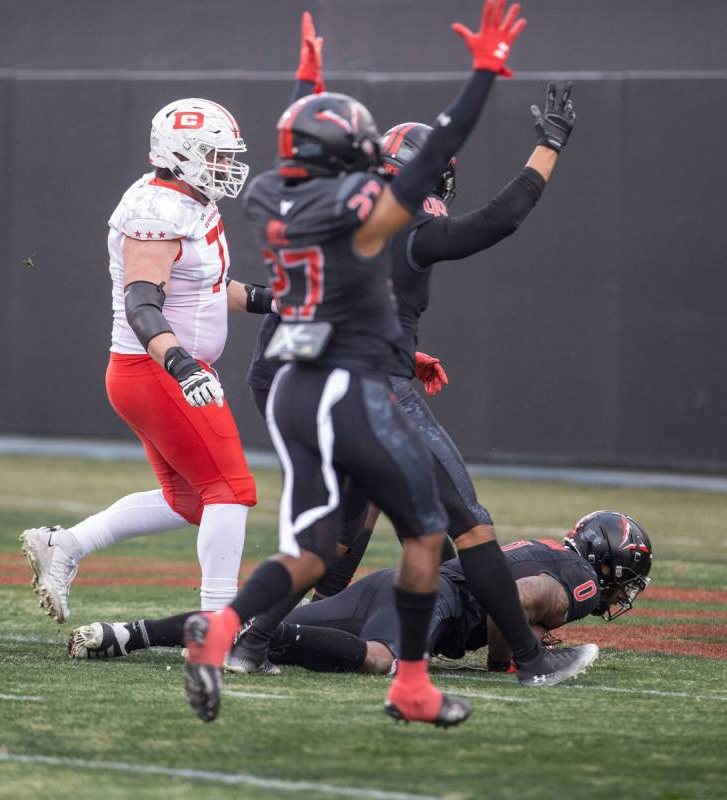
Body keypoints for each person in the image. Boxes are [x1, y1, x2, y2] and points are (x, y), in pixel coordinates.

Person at [179, 0, 599, 729]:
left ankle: (238, 636)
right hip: (364, 385)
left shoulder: (276, 199)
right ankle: (524, 660)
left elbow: (301, 163)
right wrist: (519, 115)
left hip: (294, 383)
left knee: (326, 550)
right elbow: (489, 212)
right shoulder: (390, 217)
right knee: (456, 527)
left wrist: (307, 82)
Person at [20, 98, 274, 623]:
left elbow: (208, 286)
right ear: (180, 153)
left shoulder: (188, 198)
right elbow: (143, 304)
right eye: (214, 154)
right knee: (230, 490)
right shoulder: (155, 211)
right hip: (155, 370)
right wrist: (181, 365)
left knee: (189, 501)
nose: (225, 166)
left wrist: (270, 300)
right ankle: (217, 624)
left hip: (156, 371)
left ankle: (64, 544)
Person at [68, 511, 653, 676]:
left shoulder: (549, 546)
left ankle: (128, 634)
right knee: (382, 661)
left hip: (393, 584)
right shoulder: (579, 581)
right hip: (431, 603)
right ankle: (274, 638)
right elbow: (521, 598)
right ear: (610, 567)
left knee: (238, 621)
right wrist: (508, 655)